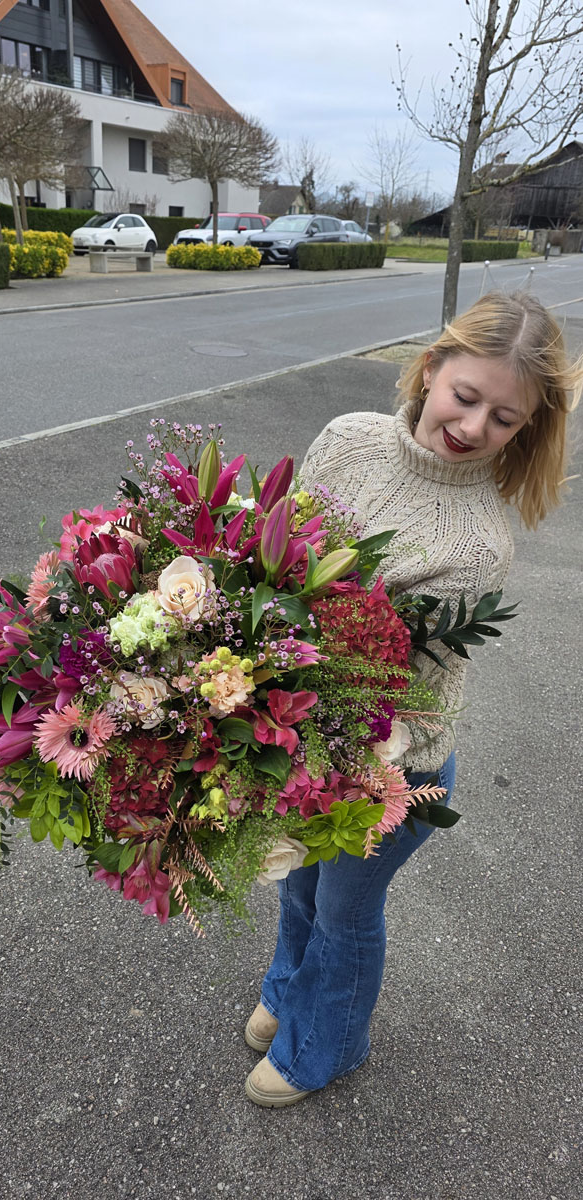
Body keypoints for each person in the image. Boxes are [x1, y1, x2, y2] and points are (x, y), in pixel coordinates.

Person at [243, 290, 581, 1107]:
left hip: (392, 765)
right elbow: (269, 558)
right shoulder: (347, 439)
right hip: (301, 734)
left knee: (344, 913)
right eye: (465, 396)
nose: (473, 426)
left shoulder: (478, 544)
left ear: (525, 429)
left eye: (503, 419)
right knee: (298, 885)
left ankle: (329, 1045)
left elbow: (387, 687)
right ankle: (288, 992)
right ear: (431, 369)